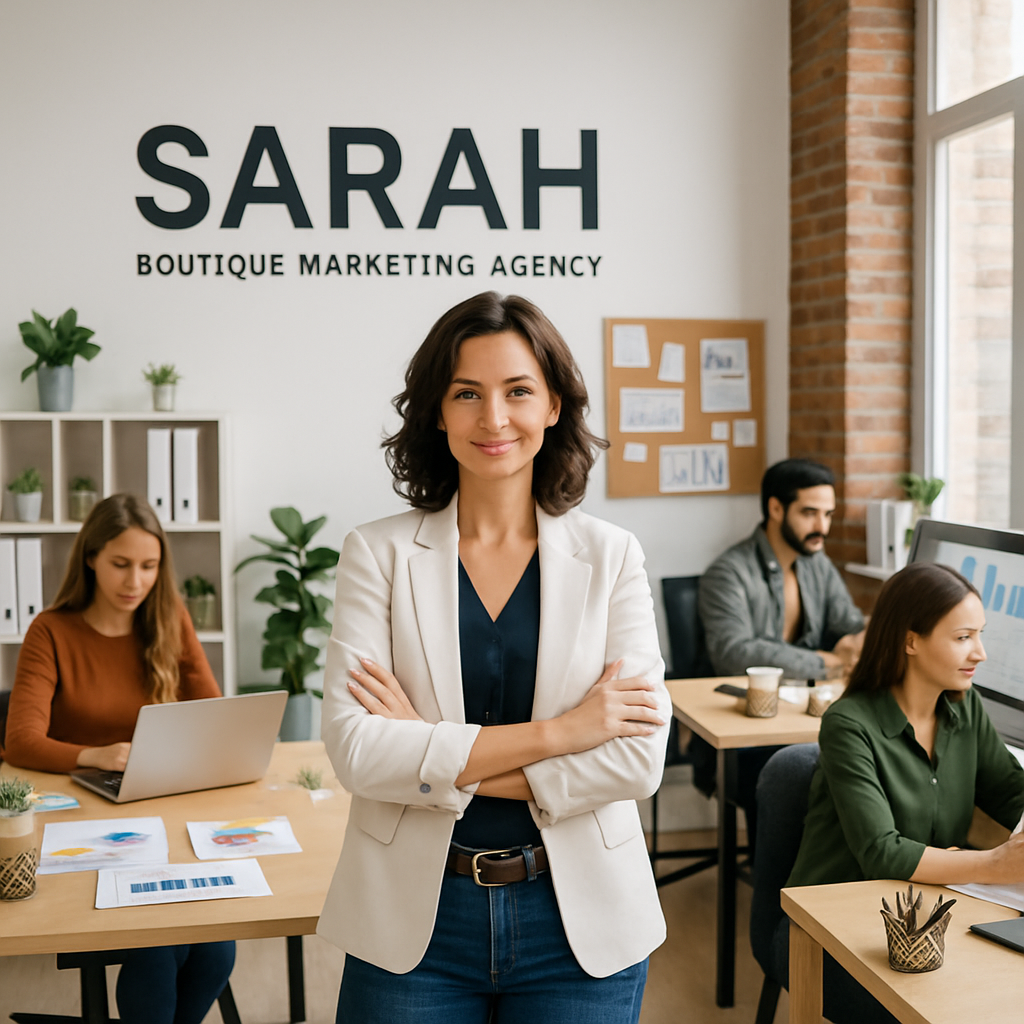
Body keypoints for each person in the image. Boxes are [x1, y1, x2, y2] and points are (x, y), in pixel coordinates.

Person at [316, 292, 671, 1024]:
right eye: (467, 394)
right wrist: (567, 731)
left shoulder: (612, 558)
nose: (494, 418)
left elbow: (637, 763)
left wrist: (427, 748)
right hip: (416, 918)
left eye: (518, 392)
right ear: (437, 412)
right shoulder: (376, 554)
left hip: (578, 924)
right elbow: (356, 751)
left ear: (553, 407)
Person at [3, 493, 235, 1024]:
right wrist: (95, 754)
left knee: (218, 949)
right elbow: (20, 742)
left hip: (163, 812)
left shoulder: (170, 619)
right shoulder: (52, 630)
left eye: (149, 566)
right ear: (90, 558)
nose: (136, 581)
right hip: (84, 822)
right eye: (121, 565)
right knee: (157, 949)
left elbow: (215, 716)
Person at [781, 561, 1024, 1023]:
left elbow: (1012, 791)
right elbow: (880, 852)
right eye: (963, 637)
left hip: (926, 922)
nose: (981, 653)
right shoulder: (848, 724)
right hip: (828, 929)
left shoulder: (964, 705)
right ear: (910, 641)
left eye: (980, 634)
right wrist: (995, 864)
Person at [698, 458, 865, 681]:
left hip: (806, 697)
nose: (822, 528)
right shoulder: (727, 573)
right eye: (809, 513)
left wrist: (861, 638)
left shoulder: (817, 563)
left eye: (827, 515)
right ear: (776, 509)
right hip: (740, 703)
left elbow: (849, 624)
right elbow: (733, 654)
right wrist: (824, 662)